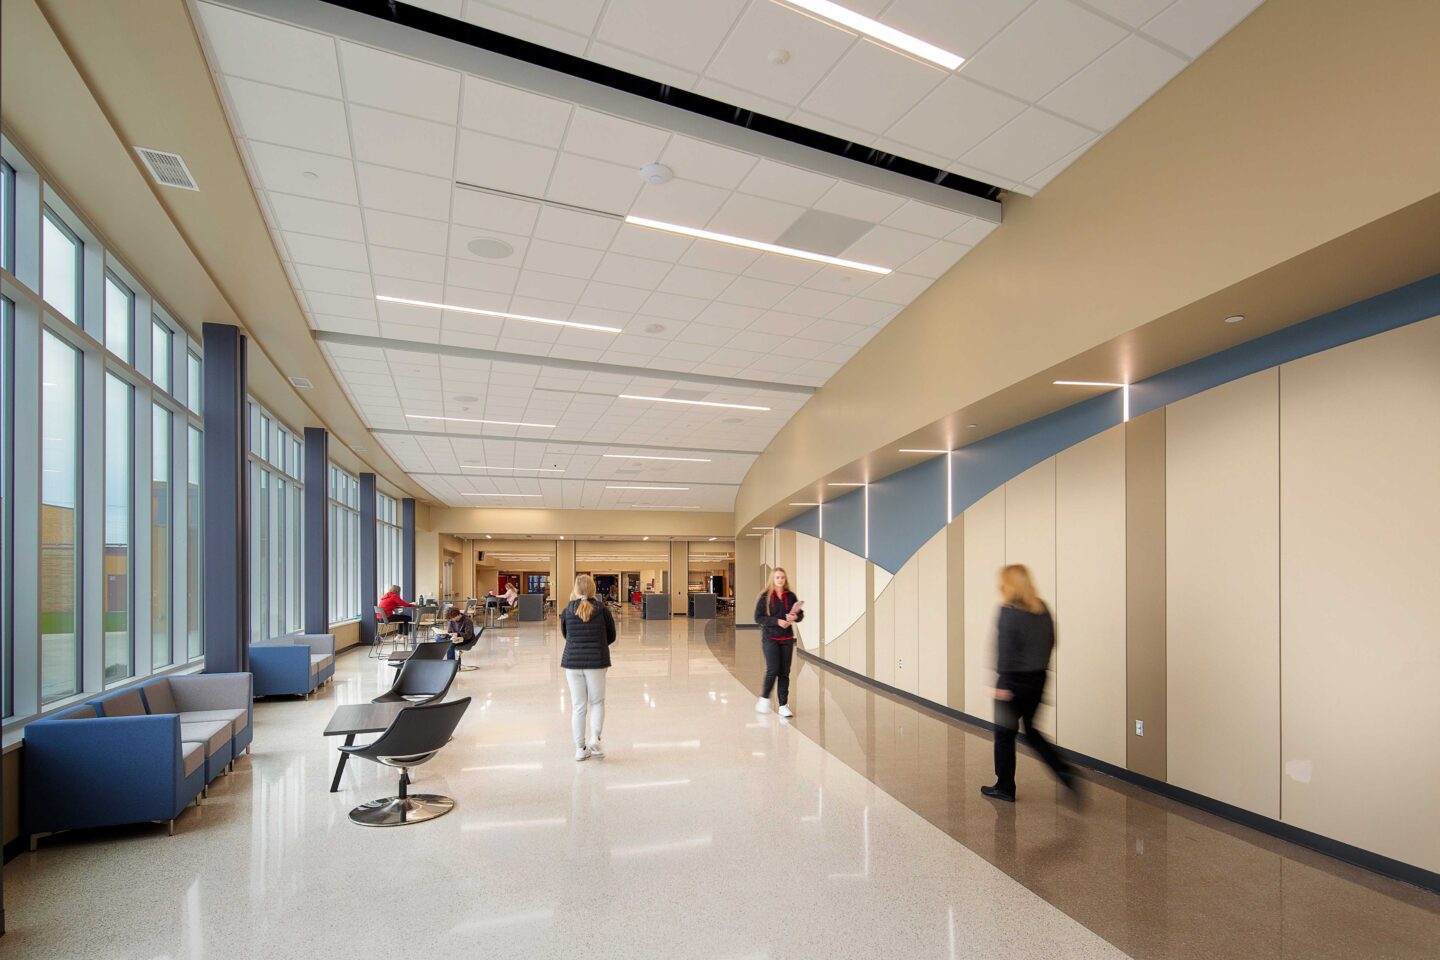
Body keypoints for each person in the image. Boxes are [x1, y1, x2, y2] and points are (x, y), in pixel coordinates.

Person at [981, 564, 1075, 803]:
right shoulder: (1042, 608)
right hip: (1039, 678)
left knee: (1004, 735)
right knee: (1031, 731)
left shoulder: (1007, 610)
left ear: (1008, 584)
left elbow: (1004, 649)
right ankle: (1063, 770)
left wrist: (1003, 683)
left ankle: (1004, 787)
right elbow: (1053, 641)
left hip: (1011, 681)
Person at [559, 574, 617, 761]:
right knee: (597, 702)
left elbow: (566, 635)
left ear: (576, 589)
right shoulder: (602, 609)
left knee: (578, 706)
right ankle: (595, 739)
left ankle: (580, 748)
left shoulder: (567, 610)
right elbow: (611, 636)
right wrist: (597, 645)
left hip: (572, 663)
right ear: (593, 589)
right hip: (596, 662)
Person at [753, 568, 804, 718]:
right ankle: (764, 698)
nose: (780, 580)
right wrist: (777, 621)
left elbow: (800, 616)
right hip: (770, 638)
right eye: (777, 577)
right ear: (772, 579)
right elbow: (758, 618)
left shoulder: (791, 596)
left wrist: (795, 616)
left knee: (784, 672)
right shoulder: (765, 597)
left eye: (782, 577)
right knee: (773, 669)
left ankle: (783, 705)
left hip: (787, 639)